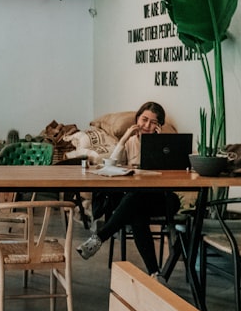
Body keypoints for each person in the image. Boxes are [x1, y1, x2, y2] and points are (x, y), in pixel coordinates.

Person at [76, 101, 180, 276]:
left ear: (159, 126)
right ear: (137, 119)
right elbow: (110, 166)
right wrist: (123, 139)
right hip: (137, 199)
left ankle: (100, 238)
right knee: (136, 210)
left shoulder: (166, 146)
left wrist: (158, 143)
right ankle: (155, 274)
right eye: (144, 119)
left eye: (153, 122)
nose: (147, 126)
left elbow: (172, 173)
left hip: (161, 198)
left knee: (134, 202)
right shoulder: (130, 142)